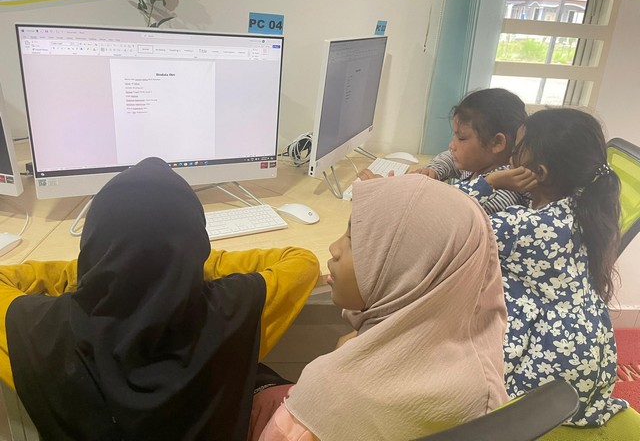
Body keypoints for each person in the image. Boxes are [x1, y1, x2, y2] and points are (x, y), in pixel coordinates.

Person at [0, 157, 319, 440]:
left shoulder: (35, 331)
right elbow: (300, 262)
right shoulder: (234, 308)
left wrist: (106, 267)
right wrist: (187, 264)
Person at [259, 175, 509, 440]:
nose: (334, 248)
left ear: (409, 270)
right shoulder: (482, 381)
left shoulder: (326, 395)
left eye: (353, 240)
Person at [456, 108, 627, 426]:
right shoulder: (584, 208)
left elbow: (443, 215)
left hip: (543, 381)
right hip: (586, 365)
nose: (510, 157)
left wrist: (489, 182)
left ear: (540, 173)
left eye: (517, 150)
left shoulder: (525, 226)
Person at [360, 88, 529, 214]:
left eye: (461, 138)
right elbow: (449, 158)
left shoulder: (504, 192)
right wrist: (434, 171)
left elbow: (445, 212)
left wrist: (387, 195)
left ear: (496, 143)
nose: (452, 145)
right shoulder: (481, 164)